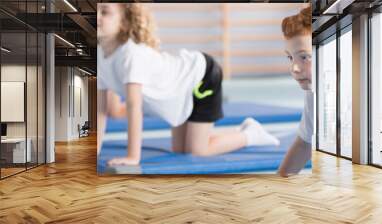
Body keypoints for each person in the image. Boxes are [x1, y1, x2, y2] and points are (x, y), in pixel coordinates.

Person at [97, 3, 280, 166]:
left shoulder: (131, 54)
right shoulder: (99, 55)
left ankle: (251, 134)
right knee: (180, 150)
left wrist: (132, 157)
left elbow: (133, 106)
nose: (96, 16)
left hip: (201, 78)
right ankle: (241, 131)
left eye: (105, 12)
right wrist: (94, 151)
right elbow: (101, 110)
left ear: (124, 23)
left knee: (197, 151)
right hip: (179, 90)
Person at [278, 5, 314, 177]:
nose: (294, 68)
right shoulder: (312, 92)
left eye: (304, 57)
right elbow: (304, 143)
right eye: (290, 57)